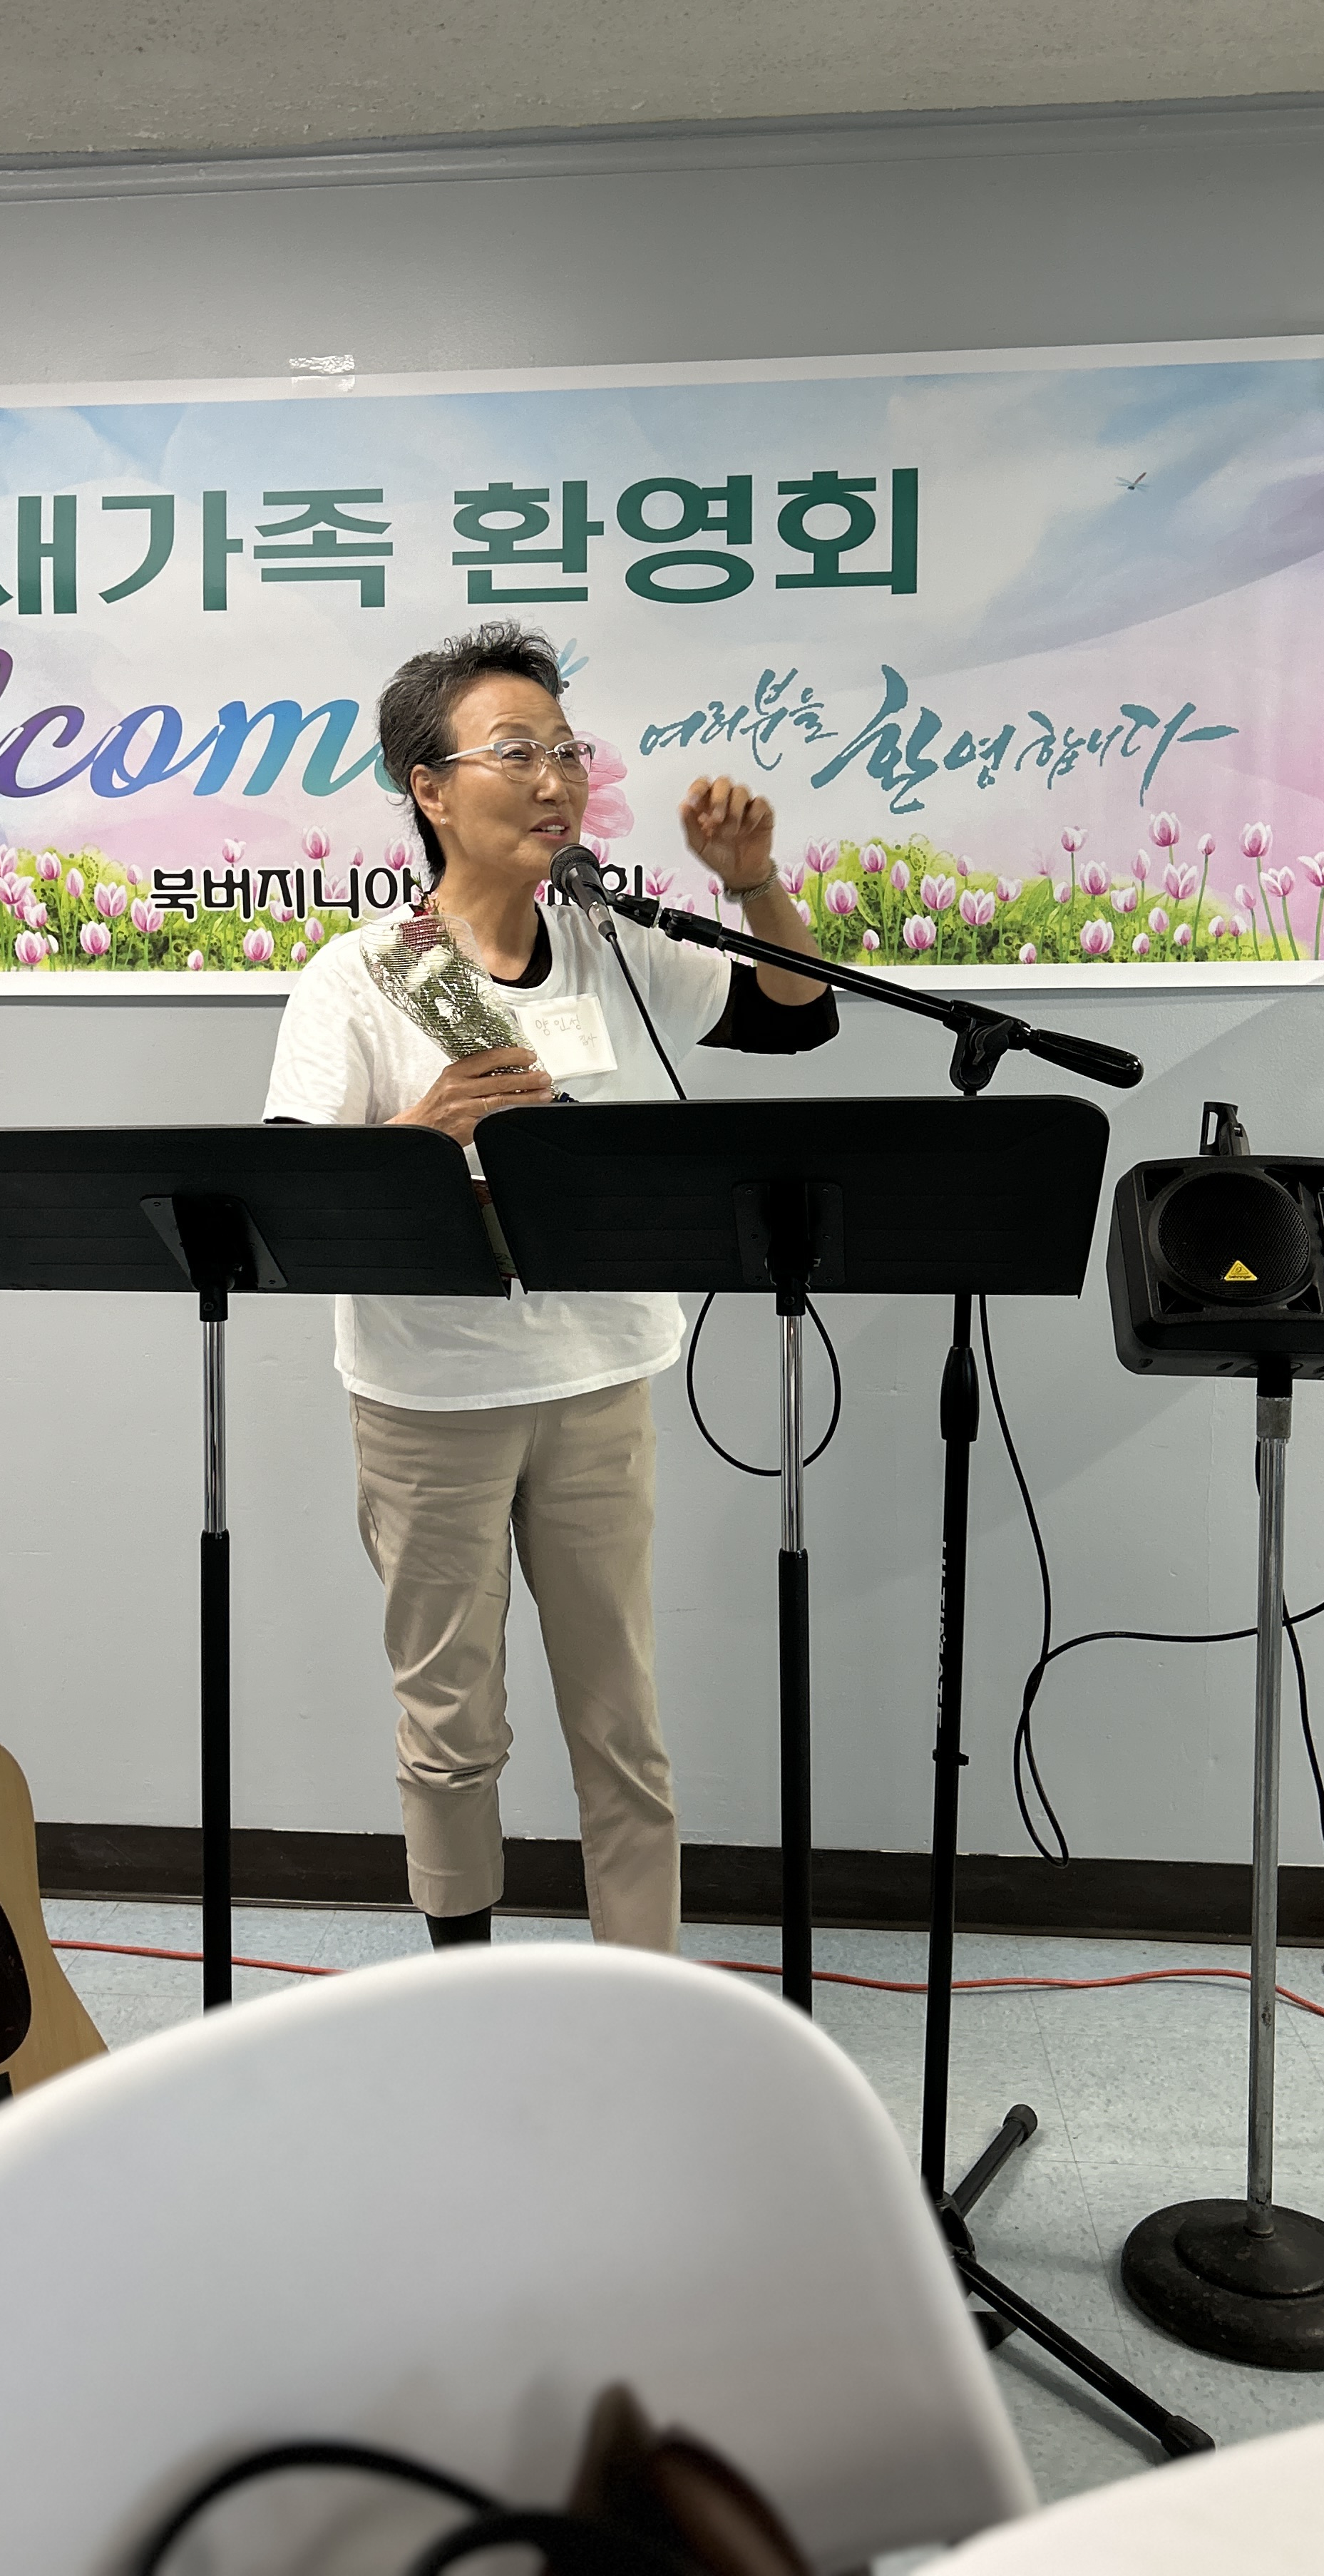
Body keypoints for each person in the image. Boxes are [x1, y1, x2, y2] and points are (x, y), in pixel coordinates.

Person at [262, 621, 837, 1953]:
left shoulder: (611, 942)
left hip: (598, 1379)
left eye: (567, 751)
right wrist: (420, 1134)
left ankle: (638, 1986)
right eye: (515, 751)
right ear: (428, 787)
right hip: (430, 1398)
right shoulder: (363, 975)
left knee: (621, 1716)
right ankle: (463, 1978)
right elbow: (298, 1198)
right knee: (451, 1717)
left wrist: (755, 884)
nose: (554, 780)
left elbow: (794, 1014)